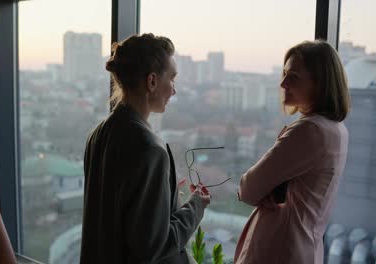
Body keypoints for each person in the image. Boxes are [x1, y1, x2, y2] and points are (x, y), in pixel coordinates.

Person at [80, 33, 211, 264]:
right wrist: (196, 206)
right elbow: (154, 248)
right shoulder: (150, 149)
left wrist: (166, 197)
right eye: (171, 79)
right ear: (152, 81)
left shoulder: (98, 135)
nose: (173, 90)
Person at [234, 40, 350, 264]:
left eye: (293, 77)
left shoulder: (310, 131)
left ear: (320, 83)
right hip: (304, 248)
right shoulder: (337, 130)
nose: (283, 83)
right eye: (284, 73)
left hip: (279, 250)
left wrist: (265, 191)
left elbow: (247, 189)